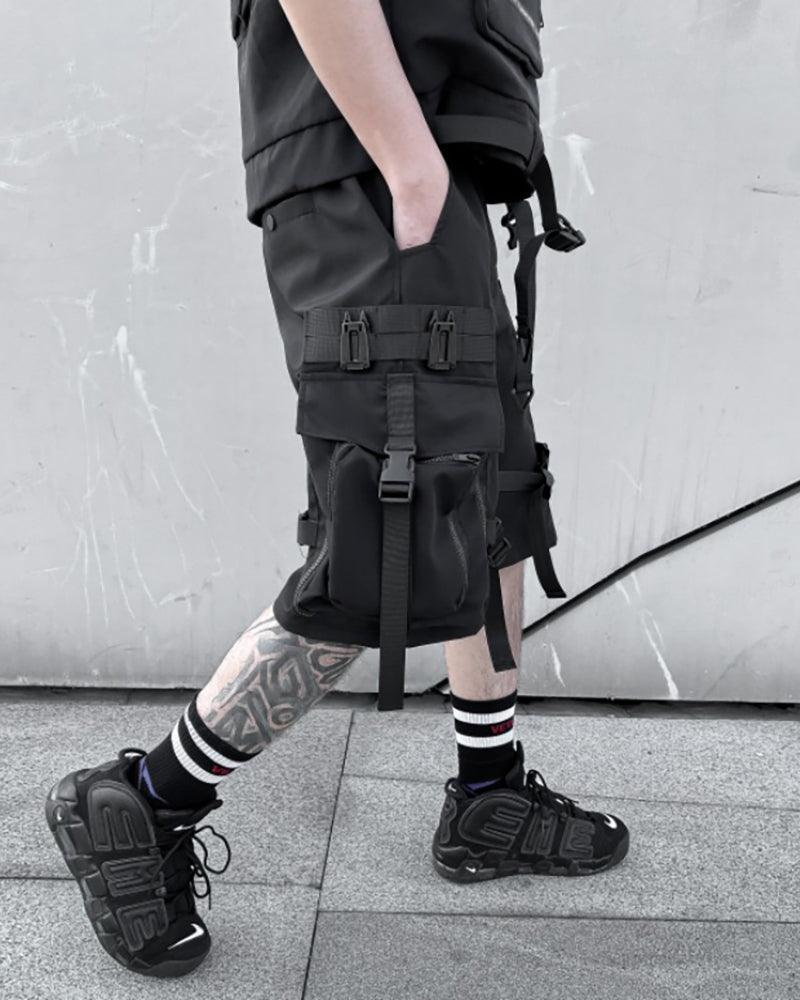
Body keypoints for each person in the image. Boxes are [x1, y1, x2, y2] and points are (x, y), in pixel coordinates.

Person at [45, 0, 629, 978]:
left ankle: (487, 793)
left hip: (424, 174)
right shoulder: (393, 166)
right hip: (375, 171)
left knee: (491, 492)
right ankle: (144, 802)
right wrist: (406, 165)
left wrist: (431, 170)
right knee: (383, 540)